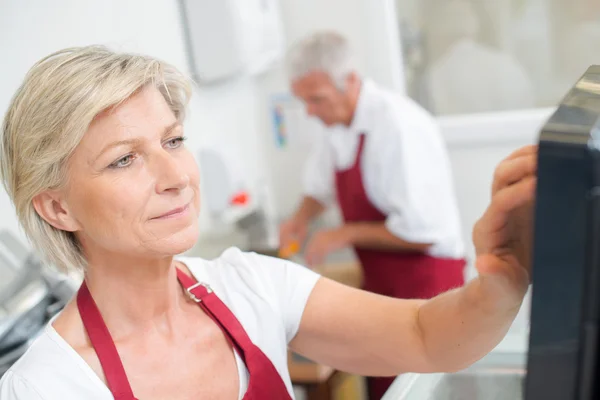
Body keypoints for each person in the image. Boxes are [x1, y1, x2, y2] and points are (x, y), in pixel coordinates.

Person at [0, 45, 535, 400]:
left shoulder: (252, 286)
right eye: (124, 159)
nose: (176, 176)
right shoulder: (47, 387)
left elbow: (426, 337)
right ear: (57, 207)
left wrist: (506, 272)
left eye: (173, 141)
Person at [280, 31, 467, 398]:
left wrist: (344, 234)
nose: (310, 113)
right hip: (384, 288)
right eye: (304, 102)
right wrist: (300, 218)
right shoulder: (337, 124)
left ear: (350, 82)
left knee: (421, 390)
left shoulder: (398, 127)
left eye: (316, 100)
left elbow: (423, 232)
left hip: (428, 287)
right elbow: (318, 187)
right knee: (387, 385)